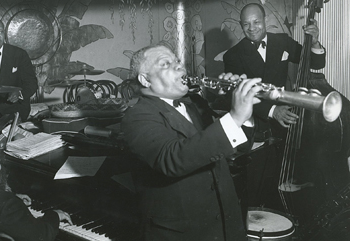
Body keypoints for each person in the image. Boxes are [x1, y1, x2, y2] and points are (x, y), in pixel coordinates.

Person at [121, 43, 262, 240]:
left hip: (226, 228)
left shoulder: (196, 103)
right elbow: (172, 159)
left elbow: (239, 147)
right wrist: (235, 117)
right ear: (145, 80)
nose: (179, 66)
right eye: (165, 63)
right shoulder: (136, 116)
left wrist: (241, 111)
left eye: (177, 61)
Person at [222, 3, 327, 211]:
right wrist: (272, 111)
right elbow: (237, 95)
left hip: (287, 122)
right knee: (258, 187)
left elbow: (314, 63)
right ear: (241, 26)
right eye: (246, 24)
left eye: (256, 22)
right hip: (258, 127)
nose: (252, 28)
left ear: (266, 20)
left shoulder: (282, 41)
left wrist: (314, 42)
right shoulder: (232, 56)